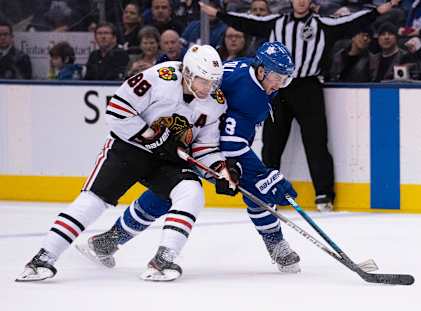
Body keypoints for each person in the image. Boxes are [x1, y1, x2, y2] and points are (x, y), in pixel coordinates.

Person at [16, 44, 235, 282]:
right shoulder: (160, 77)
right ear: (189, 74)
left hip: (166, 160)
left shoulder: (215, 101)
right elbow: (117, 109)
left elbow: (205, 147)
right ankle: (43, 258)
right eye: (204, 80)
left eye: (214, 81)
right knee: (93, 202)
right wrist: (153, 137)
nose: (209, 87)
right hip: (128, 150)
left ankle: (164, 259)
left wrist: (220, 170)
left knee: (192, 191)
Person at [78, 41, 301, 275]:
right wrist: (264, 176)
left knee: (167, 193)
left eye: (285, 79)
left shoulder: (247, 67)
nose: (280, 84)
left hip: (200, 133)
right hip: (205, 142)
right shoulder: (251, 98)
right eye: (277, 77)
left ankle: (108, 242)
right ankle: (277, 247)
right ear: (262, 70)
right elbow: (232, 145)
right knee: (257, 188)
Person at [199, 0, 400, 211]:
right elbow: (247, 22)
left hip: (308, 88)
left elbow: (352, 22)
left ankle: (324, 194)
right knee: (272, 141)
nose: (301, 1)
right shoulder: (275, 22)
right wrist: (219, 14)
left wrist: (379, 10)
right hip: (275, 88)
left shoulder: (323, 24)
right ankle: (266, 190)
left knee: (316, 142)